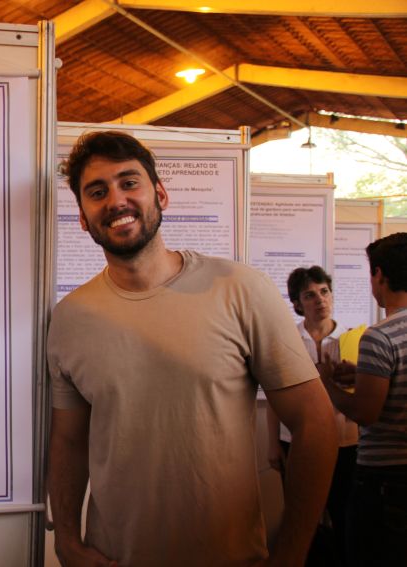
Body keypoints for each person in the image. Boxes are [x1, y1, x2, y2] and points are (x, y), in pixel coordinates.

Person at [47, 130, 338, 567]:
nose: (116, 200)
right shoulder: (71, 317)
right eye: (97, 192)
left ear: (160, 194)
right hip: (114, 557)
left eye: (129, 182)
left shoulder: (240, 290)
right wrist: (67, 540)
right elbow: (70, 441)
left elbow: (315, 423)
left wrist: (292, 554)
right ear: (84, 218)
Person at [319, 232, 407, 567]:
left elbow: (365, 413)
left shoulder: (380, 335)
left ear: (380, 275)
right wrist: (363, 375)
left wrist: (327, 384)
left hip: (385, 480)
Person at [266, 266, 358, 562]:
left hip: (345, 441)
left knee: (344, 513)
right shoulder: (288, 340)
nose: (320, 300)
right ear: (297, 303)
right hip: (296, 439)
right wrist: (272, 443)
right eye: (310, 295)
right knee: (302, 515)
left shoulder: (352, 339)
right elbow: (274, 394)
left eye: (324, 291)